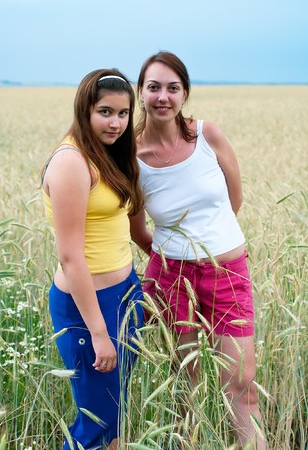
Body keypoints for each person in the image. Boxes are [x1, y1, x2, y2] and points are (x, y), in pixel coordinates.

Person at [130, 51, 266, 449]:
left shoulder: (208, 135)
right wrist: (178, 258)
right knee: (184, 389)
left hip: (228, 274)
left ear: (184, 93)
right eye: (153, 87)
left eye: (173, 88)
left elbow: (233, 200)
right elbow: (140, 232)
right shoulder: (133, 159)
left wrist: (211, 245)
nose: (163, 96)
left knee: (242, 385)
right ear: (140, 93)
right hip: (172, 279)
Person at [41, 69, 144, 450]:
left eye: (123, 113)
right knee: (95, 423)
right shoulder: (72, 162)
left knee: (114, 416)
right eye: (105, 112)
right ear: (84, 109)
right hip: (89, 308)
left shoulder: (109, 155)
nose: (116, 122)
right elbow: (70, 257)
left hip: (125, 295)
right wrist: (99, 333)